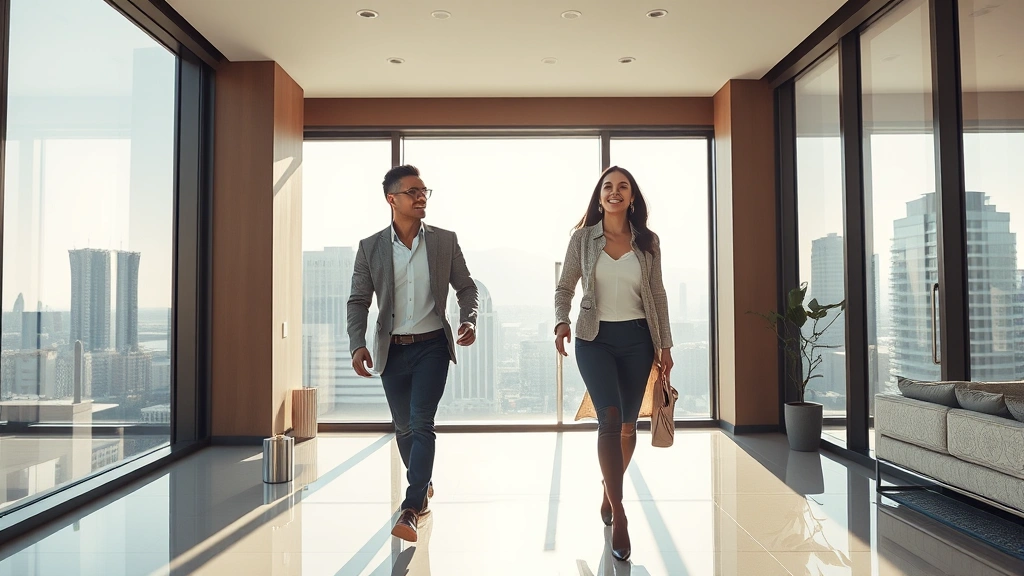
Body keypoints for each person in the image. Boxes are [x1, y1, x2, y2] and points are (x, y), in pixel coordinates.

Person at [348, 164, 479, 543]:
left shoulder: (444, 241)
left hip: (433, 347)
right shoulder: (370, 247)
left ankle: (412, 506)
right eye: (413, 192)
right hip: (393, 351)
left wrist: (469, 320)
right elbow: (358, 301)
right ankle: (423, 482)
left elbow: (466, 288)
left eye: (425, 191)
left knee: (421, 422)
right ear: (392, 199)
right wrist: (358, 343)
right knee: (403, 427)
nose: (421, 197)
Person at [553, 166, 674, 561]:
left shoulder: (648, 242)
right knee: (608, 417)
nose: (614, 192)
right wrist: (560, 320)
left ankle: (608, 492)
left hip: (639, 340)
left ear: (632, 197)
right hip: (594, 338)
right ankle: (620, 514)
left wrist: (665, 346)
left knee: (627, 424)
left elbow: (657, 295)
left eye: (622, 186)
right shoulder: (583, 239)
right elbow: (565, 285)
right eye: (608, 187)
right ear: (599, 196)